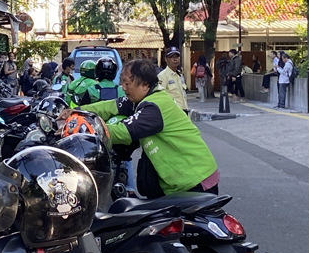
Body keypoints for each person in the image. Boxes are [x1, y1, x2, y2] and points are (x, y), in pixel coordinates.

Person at [79, 59, 220, 198]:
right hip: (179, 182)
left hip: (195, 181)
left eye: (127, 83)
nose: (123, 87)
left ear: (145, 85)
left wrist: (84, 128)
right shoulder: (140, 100)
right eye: (122, 82)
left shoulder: (155, 106)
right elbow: (111, 106)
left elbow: (124, 131)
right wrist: (77, 112)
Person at [157, 46, 188, 111]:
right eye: (171, 57)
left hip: (184, 111)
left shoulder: (179, 74)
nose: (175, 59)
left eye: (177, 57)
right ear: (166, 59)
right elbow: (160, 97)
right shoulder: (162, 76)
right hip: (172, 112)